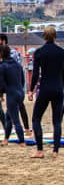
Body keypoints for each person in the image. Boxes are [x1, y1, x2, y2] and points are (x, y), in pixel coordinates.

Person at [28, 27, 64, 158]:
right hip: (58, 88)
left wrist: (31, 90)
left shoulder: (39, 52)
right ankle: (55, 151)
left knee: (36, 118)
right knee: (57, 121)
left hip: (44, 88)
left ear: (44, 37)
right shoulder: (61, 52)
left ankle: (40, 150)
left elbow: (36, 73)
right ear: (55, 36)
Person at [0, 45, 26, 147]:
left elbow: (1, 83)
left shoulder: (1, 67)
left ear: (1, 53)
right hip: (20, 93)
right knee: (8, 117)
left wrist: (1, 95)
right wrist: (20, 91)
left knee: (15, 119)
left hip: (11, 94)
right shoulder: (18, 65)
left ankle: (22, 142)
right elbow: (22, 80)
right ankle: (6, 139)